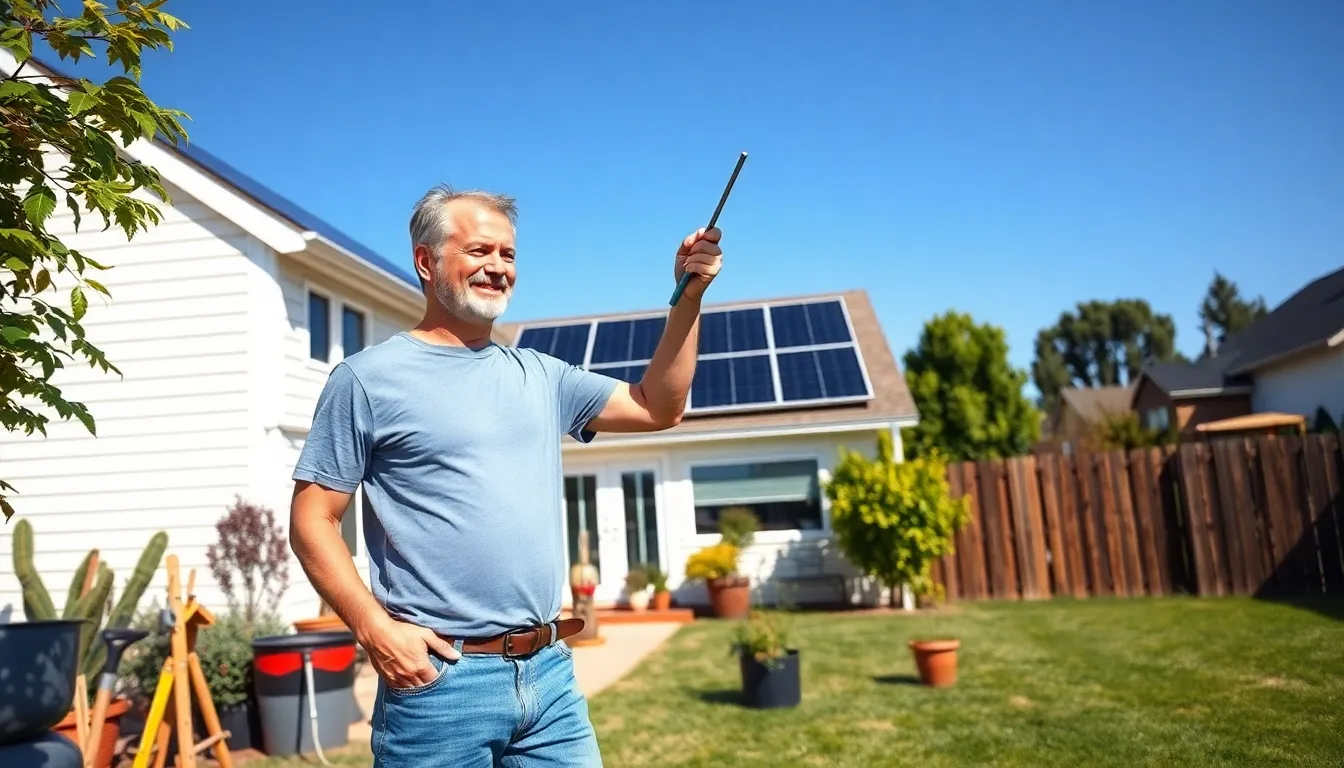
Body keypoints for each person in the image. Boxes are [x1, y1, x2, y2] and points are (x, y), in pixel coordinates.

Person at [287, 184, 722, 767]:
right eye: (479, 251)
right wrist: (374, 628)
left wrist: (688, 297)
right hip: (440, 685)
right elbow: (312, 519)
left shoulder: (542, 375)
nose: (498, 268)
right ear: (426, 261)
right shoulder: (367, 379)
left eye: (508, 255)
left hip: (549, 681)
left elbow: (656, 407)